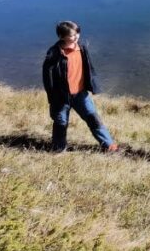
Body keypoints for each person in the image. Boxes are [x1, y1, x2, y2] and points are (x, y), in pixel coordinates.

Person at [42, 21, 119, 153]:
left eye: (78, 32)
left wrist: (93, 84)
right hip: (61, 97)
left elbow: (89, 67)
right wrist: (52, 97)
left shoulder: (82, 48)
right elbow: (47, 78)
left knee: (93, 118)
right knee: (61, 123)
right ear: (62, 36)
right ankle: (58, 149)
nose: (77, 36)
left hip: (81, 94)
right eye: (72, 35)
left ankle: (109, 145)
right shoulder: (54, 53)